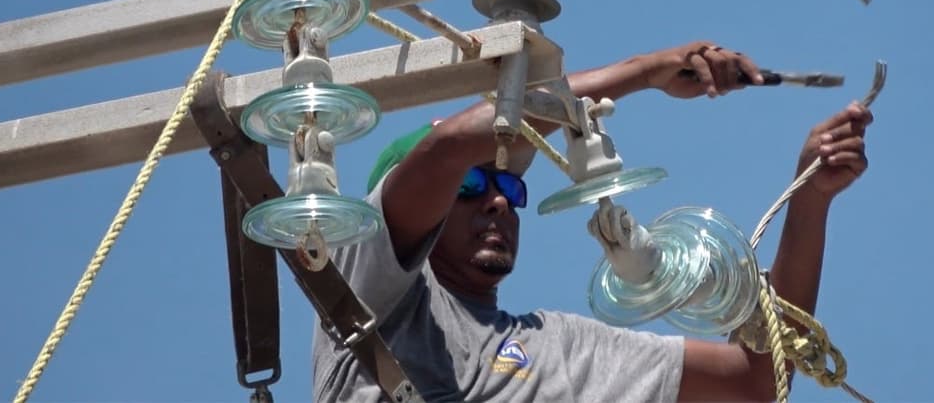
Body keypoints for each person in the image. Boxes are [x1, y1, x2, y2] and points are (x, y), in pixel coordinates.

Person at [312, 41, 874, 402]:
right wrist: (643, 72)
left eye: (510, 186)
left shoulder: (555, 349)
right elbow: (448, 146)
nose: (499, 203)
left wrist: (811, 200)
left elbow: (756, 380)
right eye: (472, 186)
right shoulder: (365, 287)